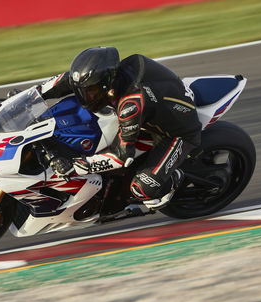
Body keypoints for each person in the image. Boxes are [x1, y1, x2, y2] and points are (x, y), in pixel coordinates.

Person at [40, 46, 201, 209]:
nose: (86, 96)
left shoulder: (130, 104)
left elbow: (121, 156)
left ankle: (174, 177)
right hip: (156, 107)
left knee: (143, 189)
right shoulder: (106, 76)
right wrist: (24, 100)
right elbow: (64, 82)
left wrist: (75, 165)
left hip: (176, 134)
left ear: (105, 85)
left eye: (91, 92)